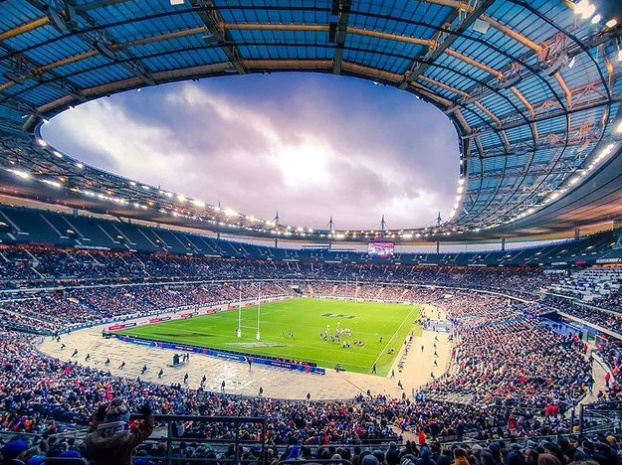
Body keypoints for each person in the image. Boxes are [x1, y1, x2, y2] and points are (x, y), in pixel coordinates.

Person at [83, 397, 154, 465]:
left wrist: (99, 418)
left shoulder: (94, 438)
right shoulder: (127, 439)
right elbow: (147, 431)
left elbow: (92, 432)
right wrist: (148, 415)